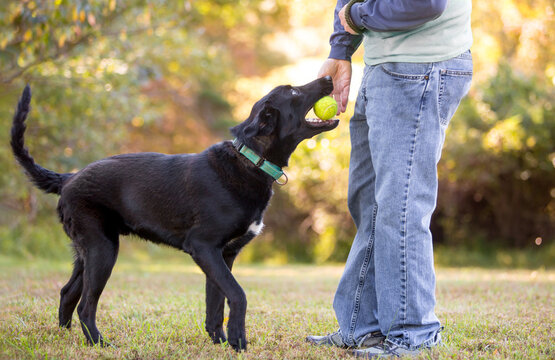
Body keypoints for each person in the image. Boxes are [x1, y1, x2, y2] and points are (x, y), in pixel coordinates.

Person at [306, 0, 473, 357]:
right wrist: (341, 48)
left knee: (401, 206)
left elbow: (426, 3)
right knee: (371, 205)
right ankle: (360, 326)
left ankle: (414, 335)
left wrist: (356, 17)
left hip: (420, 67)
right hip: (383, 68)